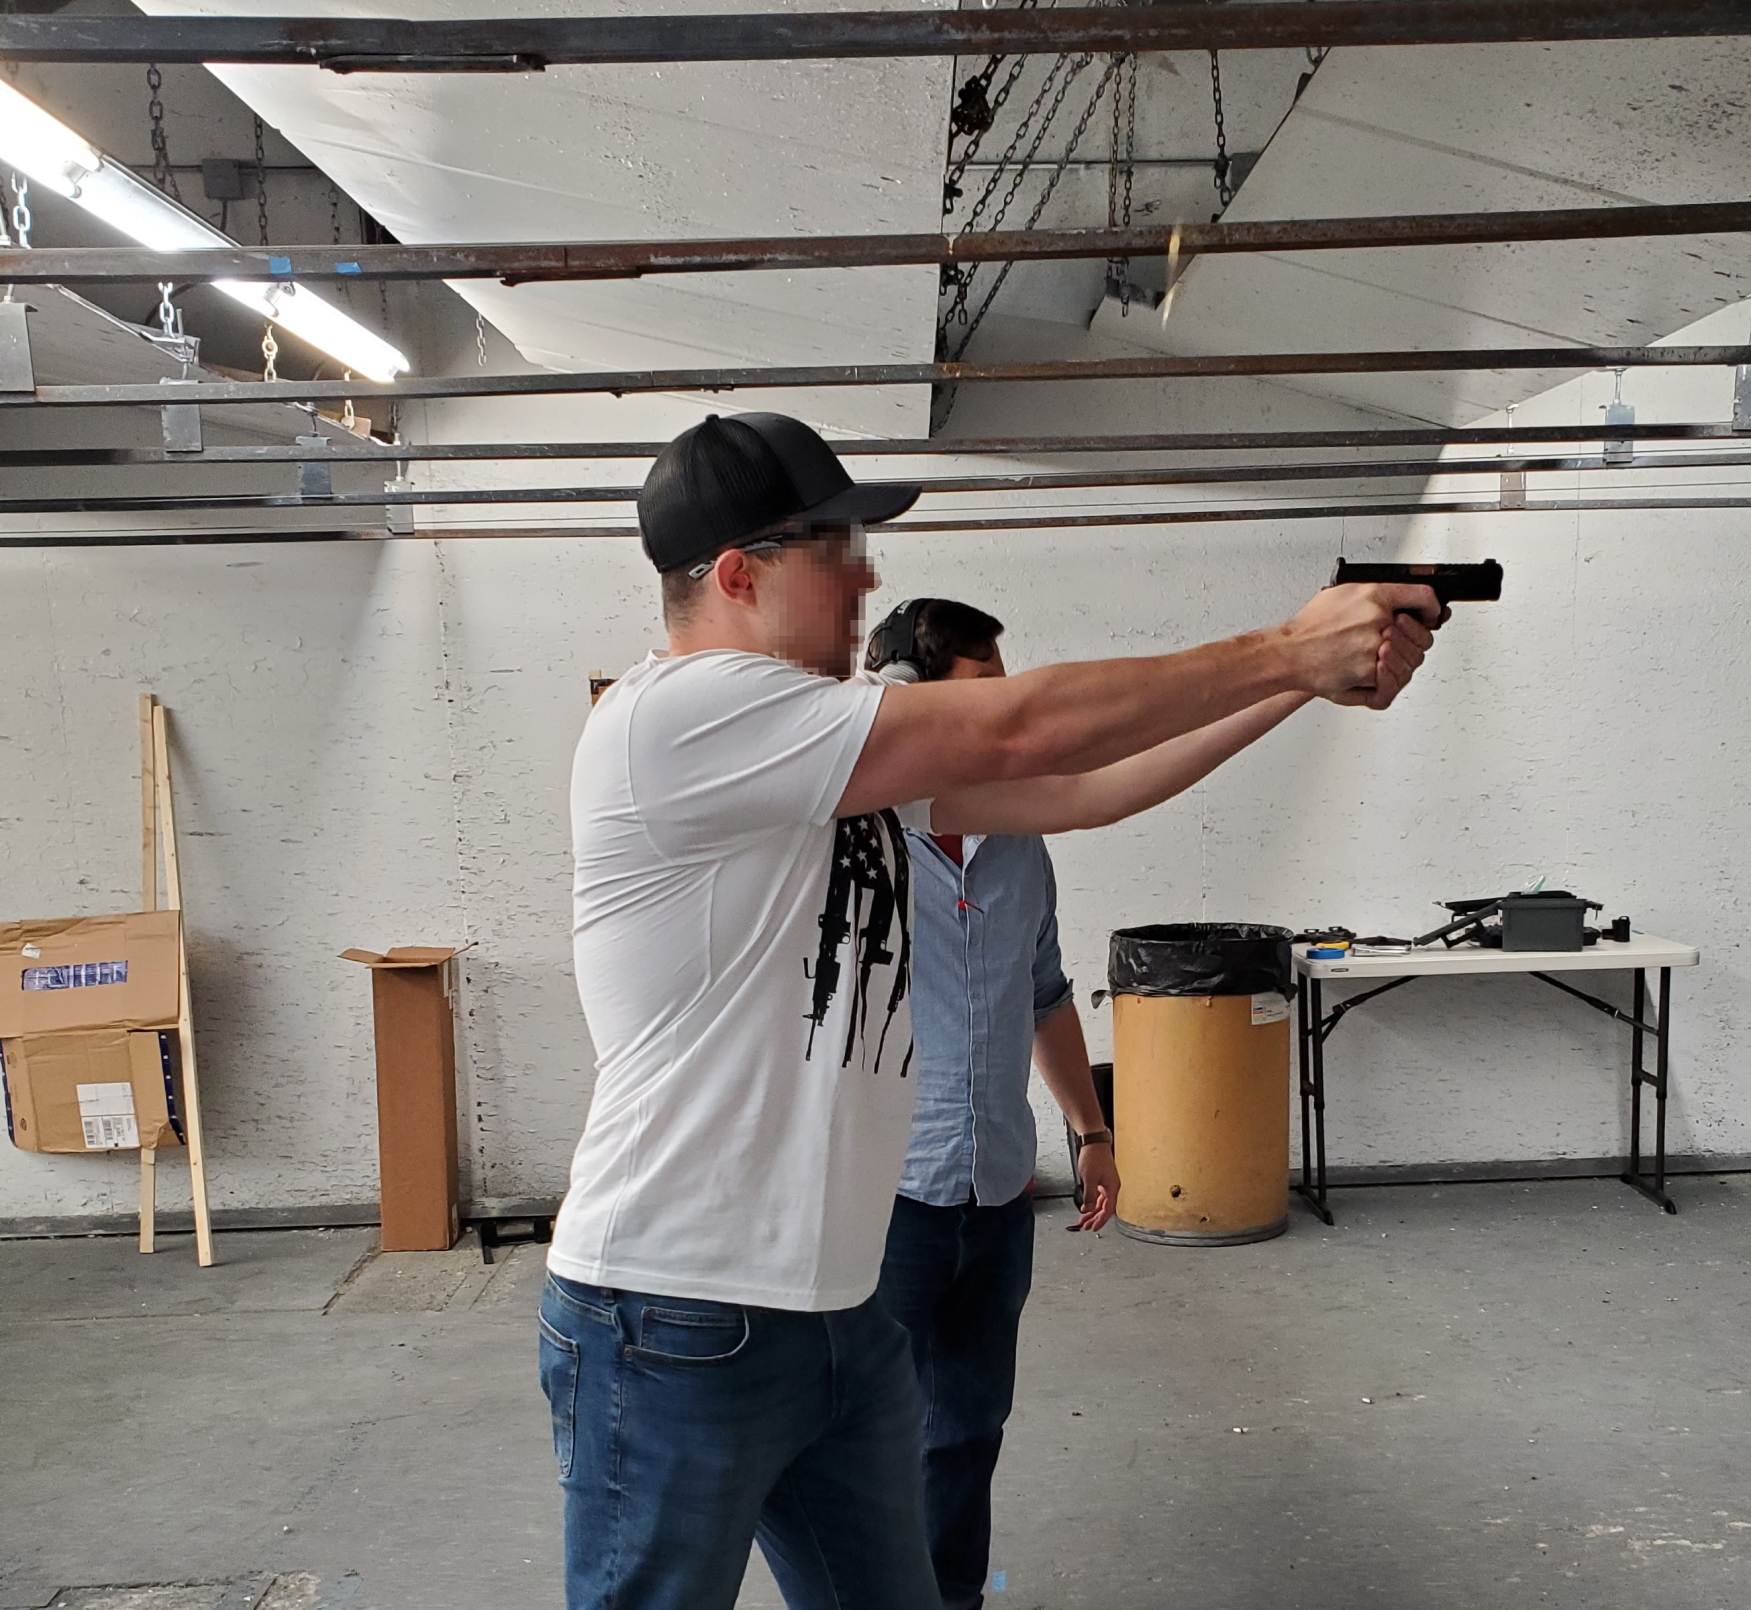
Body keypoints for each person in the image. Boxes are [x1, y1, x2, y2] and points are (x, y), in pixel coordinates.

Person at [538, 409, 1442, 1610]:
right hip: (672, 1312)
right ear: (739, 575)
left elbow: (1076, 787)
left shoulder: (822, 754)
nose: (866, 574)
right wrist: (1283, 646)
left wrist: (1301, 688)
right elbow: (1022, 721)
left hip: (832, 1311)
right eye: (835, 547)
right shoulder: (675, 717)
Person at [868, 598, 1322, 1610]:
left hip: (993, 1189)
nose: (1000, 727)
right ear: (905, 701)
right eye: (980, 702)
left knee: (967, 1423)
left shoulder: (1020, 841)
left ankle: (950, 1594)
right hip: (878, 1199)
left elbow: (1041, 991)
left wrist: (1090, 1129)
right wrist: (1289, 662)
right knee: (863, 1429)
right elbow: (1093, 780)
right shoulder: (855, 831)